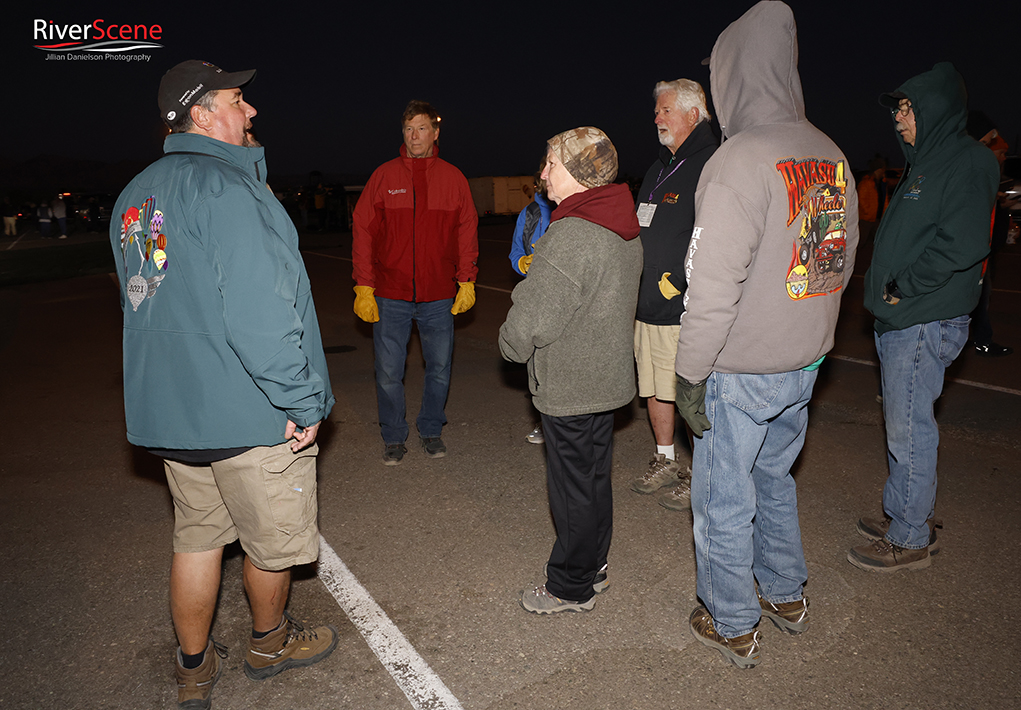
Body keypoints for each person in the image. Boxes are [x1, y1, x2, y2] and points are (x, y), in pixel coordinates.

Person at [110, 60, 338, 709]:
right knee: (271, 541)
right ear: (204, 113)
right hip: (248, 409)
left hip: (176, 412)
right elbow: (259, 315)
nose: (252, 111)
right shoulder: (229, 191)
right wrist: (300, 399)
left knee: (197, 535)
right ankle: (269, 644)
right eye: (239, 100)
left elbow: (144, 301)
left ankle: (193, 666)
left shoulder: (135, 197)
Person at [673, 1, 859, 668]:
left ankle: (730, 620)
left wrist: (690, 372)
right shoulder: (827, 153)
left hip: (742, 368)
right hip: (804, 363)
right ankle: (783, 593)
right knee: (774, 479)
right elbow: (831, 265)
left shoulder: (737, 160)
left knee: (723, 498)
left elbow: (711, 288)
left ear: (734, 75)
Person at [849, 63, 999, 573]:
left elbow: (961, 243)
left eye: (908, 108)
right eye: (897, 110)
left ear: (936, 108)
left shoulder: (969, 160)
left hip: (923, 316)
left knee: (908, 428)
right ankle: (906, 513)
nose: (899, 119)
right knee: (903, 421)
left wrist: (900, 287)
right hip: (904, 316)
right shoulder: (923, 162)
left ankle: (910, 537)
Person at [500, 127, 642, 614]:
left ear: (579, 173)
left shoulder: (573, 233)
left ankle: (570, 586)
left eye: (551, 164)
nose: (543, 174)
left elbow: (535, 316)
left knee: (572, 490)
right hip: (605, 378)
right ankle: (593, 566)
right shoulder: (620, 223)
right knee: (593, 480)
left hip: (573, 384)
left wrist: (510, 343)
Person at [352, 100, 479, 465]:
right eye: (409, 129)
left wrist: (466, 279)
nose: (415, 136)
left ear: (435, 133)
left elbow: (466, 232)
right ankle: (393, 436)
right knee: (389, 372)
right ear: (402, 133)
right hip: (390, 295)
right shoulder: (384, 177)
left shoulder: (453, 178)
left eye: (422, 128)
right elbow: (362, 231)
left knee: (439, 368)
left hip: (438, 295)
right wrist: (364, 285)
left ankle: (431, 429)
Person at [628, 79, 717, 509]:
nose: (657, 118)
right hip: (647, 303)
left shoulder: (712, 163)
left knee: (688, 393)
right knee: (654, 386)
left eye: (665, 110)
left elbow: (717, 237)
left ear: (692, 115)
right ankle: (665, 459)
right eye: (657, 110)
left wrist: (683, 281)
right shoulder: (659, 167)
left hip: (683, 307)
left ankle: (701, 474)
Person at [509, 161, 555, 445]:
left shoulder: (567, 210)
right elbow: (515, 252)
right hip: (535, 300)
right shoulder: (529, 214)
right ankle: (542, 422)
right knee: (537, 366)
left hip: (564, 299)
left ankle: (564, 422)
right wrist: (522, 263)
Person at [965, 110, 1012, 357]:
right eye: (999, 151)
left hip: (984, 250)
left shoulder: (987, 173)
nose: (1003, 157)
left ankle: (981, 340)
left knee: (982, 298)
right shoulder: (971, 168)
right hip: (971, 253)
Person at [857, 156, 888, 246]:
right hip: (866, 220)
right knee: (861, 242)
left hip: (877, 219)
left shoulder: (881, 183)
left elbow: (884, 199)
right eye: (882, 169)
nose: (884, 171)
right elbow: (861, 200)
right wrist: (868, 213)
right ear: (878, 169)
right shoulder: (866, 183)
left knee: (879, 242)